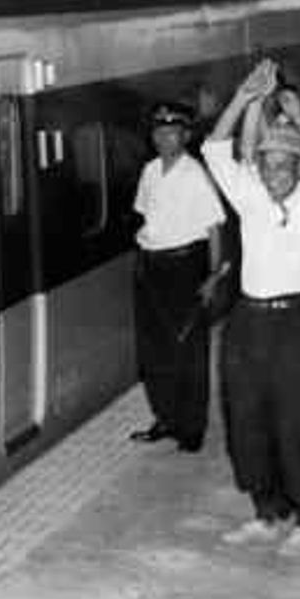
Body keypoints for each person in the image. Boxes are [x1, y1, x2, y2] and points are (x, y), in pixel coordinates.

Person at [203, 58, 300, 555]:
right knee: (246, 418)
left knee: (294, 421)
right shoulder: (250, 198)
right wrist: (243, 98)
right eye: (267, 166)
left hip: (295, 322)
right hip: (248, 321)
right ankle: (266, 512)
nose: (274, 174)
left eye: (284, 166)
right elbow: (214, 149)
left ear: (298, 167)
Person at [128, 100, 227, 452]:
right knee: (154, 350)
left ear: (185, 136)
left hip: (185, 268)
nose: (164, 138)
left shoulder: (194, 174)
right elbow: (145, 217)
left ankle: (191, 427)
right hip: (151, 267)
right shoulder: (150, 171)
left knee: (188, 350)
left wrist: (213, 276)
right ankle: (165, 417)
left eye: (172, 132)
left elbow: (214, 228)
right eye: (159, 132)